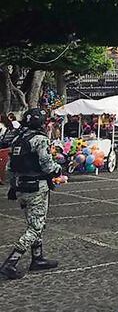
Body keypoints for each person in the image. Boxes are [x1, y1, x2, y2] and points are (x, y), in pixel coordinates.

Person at [0, 109, 62, 279]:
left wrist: (13, 186)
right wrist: (58, 169)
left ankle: (37, 258)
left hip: (21, 187)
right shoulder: (40, 139)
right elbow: (47, 165)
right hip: (37, 187)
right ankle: (10, 263)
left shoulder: (18, 138)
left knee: (35, 221)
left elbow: (9, 167)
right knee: (35, 227)